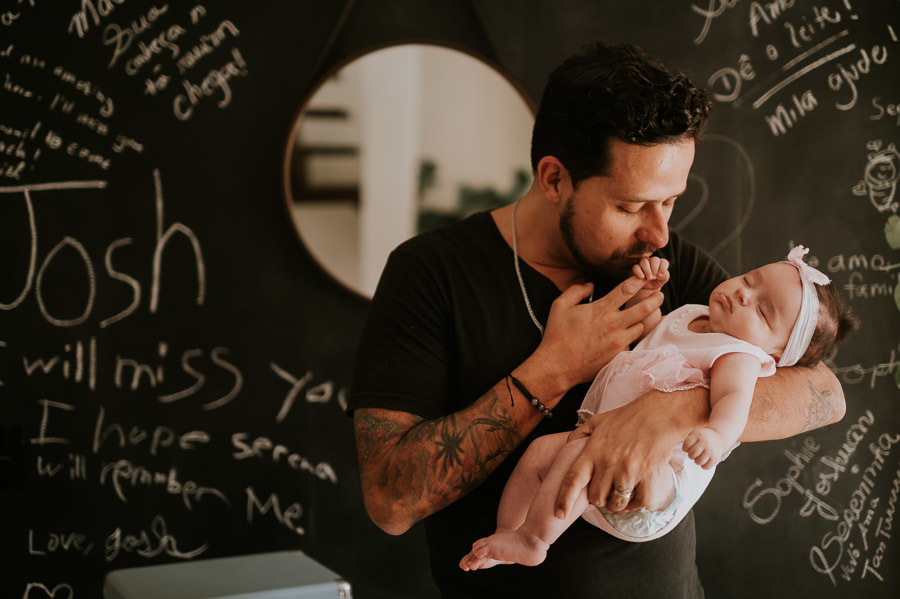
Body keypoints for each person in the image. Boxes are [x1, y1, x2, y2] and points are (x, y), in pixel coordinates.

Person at [349, 42, 846, 598]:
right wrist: (553, 370)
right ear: (555, 178)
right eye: (631, 207)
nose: (658, 233)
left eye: (671, 202)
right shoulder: (430, 274)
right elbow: (390, 502)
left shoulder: (666, 264)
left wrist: (669, 411)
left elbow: (823, 389)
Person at [459, 248, 858, 571]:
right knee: (540, 453)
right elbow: (647, 339)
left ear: (773, 353)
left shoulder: (739, 355)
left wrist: (717, 434)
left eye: (762, 311)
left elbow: (735, 401)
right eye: (750, 279)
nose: (742, 294)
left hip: (661, 481)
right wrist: (646, 292)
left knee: (577, 456)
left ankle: (535, 539)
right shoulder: (690, 315)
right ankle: (507, 535)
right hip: (605, 439)